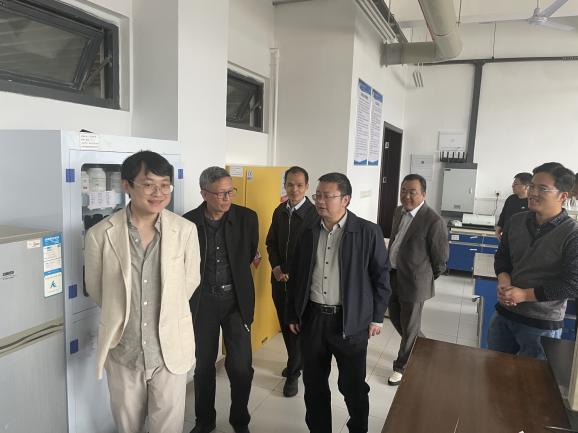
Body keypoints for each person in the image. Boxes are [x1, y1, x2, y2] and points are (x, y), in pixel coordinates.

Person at [84, 151, 200, 433]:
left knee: (168, 427)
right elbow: (97, 289)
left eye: (164, 185)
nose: (158, 193)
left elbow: (190, 281)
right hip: (124, 350)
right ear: (126, 185)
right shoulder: (100, 234)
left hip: (169, 350)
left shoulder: (185, 230)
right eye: (148, 184)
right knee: (128, 427)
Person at [286, 172, 390, 433]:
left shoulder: (367, 232)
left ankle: (358, 428)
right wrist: (293, 313)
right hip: (313, 319)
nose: (320, 201)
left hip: (350, 320)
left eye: (327, 196)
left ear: (345, 199)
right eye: (317, 195)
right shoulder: (307, 230)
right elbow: (296, 275)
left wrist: (377, 317)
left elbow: (381, 277)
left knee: (353, 386)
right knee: (314, 384)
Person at [183, 166, 258, 433]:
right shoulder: (188, 223)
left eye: (230, 191)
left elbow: (249, 254)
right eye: (220, 193)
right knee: (203, 367)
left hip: (236, 301)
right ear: (204, 194)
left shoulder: (247, 218)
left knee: (241, 367)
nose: (227, 198)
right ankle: (204, 421)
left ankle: (240, 420)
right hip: (203, 303)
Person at [488, 162, 578, 359]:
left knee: (530, 378)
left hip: (541, 325)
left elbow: (572, 285)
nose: (532, 193)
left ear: (563, 196)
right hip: (504, 315)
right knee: (492, 371)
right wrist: (504, 281)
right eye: (532, 186)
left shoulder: (572, 233)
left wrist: (524, 295)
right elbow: (502, 257)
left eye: (542, 189)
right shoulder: (516, 221)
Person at [386, 174, 448, 386]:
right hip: (393, 275)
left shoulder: (433, 221)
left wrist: (424, 277)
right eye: (403, 190)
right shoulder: (398, 211)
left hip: (415, 282)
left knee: (410, 326)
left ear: (423, 194)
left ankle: (401, 367)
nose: (406, 196)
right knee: (397, 319)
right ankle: (424, 346)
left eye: (412, 192)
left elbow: (440, 258)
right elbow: (395, 241)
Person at [266, 166, 318, 397]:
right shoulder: (279, 211)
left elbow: (313, 252)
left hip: (302, 284)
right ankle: (296, 362)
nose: (294, 189)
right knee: (285, 326)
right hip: (279, 280)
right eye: (290, 184)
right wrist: (277, 267)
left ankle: (294, 374)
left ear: (307, 187)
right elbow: (271, 242)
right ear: (284, 185)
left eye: (299, 185)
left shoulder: (314, 214)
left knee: (296, 328)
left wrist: (293, 272)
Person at [495, 172, 532, 240]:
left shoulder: (532, 202)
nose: (512, 185)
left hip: (522, 239)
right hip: (506, 236)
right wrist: (498, 230)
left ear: (526, 187)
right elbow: (503, 215)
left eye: (516, 184)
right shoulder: (511, 198)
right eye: (513, 183)